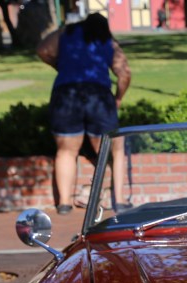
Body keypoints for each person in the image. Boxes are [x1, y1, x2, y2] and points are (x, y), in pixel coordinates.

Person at [36, 13, 131, 214]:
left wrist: (60, 65)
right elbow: (124, 73)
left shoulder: (66, 33)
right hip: (99, 96)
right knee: (114, 150)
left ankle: (64, 204)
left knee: (66, 151)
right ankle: (120, 200)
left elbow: (43, 50)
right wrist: (118, 97)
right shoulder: (107, 40)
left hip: (66, 94)